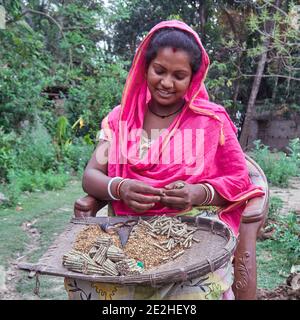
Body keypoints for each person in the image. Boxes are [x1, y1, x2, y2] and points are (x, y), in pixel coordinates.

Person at [78, 20, 265, 300]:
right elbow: (91, 175)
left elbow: (239, 179)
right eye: (159, 71)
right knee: (87, 286)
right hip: (125, 235)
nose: (166, 83)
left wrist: (197, 193)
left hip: (191, 237)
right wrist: (120, 188)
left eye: (179, 75)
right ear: (145, 68)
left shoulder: (210, 120)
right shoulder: (122, 119)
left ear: (194, 77)